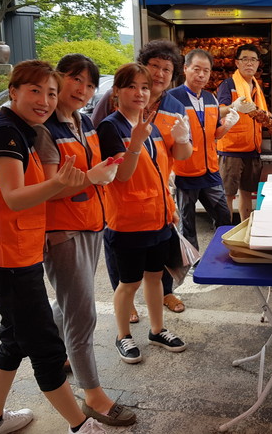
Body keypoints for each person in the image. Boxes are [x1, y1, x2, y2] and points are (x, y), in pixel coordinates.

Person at [0, 60, 105, 434]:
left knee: (14, 341)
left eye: (51, 93)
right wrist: (61, 182)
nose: (44, 100)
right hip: (7, 260)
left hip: (10, 254)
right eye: (35, 91)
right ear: (13, 91)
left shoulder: (18, 129)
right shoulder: (5, 134)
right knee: (47, 351)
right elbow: (14, 197)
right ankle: (82, 426)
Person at [33, 54, 136, 427]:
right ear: (58, 78)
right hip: (63, 232)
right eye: (76, 79)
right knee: (82, 313)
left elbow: (93, 171)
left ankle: (56, 353)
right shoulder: (45, 130)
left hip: (92, 223)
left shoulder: (83, 121)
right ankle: (93, 395)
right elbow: (48, 188)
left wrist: (103, 170)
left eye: (91, 84)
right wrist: (91, 177)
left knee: (70, 303)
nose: (83, 89)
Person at [96, 63, 192, 365]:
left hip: (158, 218)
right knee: (128, 283)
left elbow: (167, 168)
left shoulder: (150, 124)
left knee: (155, 278)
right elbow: (122, 175)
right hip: (128, 223)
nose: (140, 93)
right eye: (132, 87)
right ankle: (123, 335)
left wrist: (182, 138)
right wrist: (136, 140)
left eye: (145, 88)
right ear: (116, 92)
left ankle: (157, 330)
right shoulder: (110, 127)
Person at [167, 49, 238, 249]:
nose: (201, 75)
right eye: (196, 69)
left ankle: (222, 254)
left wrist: (228, 125)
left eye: (206, 71)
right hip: (185, 172)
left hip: (210, 171)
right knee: (187, 224)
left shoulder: (210, 98)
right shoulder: (172, 99)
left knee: (224, 217)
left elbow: (216, 134)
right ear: (185, 68)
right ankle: (192, 261)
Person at [216, 44, 268, 222]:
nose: (249, 63)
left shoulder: (256, 87)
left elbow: (263, 114)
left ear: (258, 63)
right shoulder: (228, 85)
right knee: (228, 195)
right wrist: (234, 106)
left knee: (247, 193)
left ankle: (246, 228)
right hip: (231, 150)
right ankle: (225, 232)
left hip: (252, 149)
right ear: (237, 63)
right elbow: (219, 111)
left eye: (253, 59)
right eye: (245, 59)